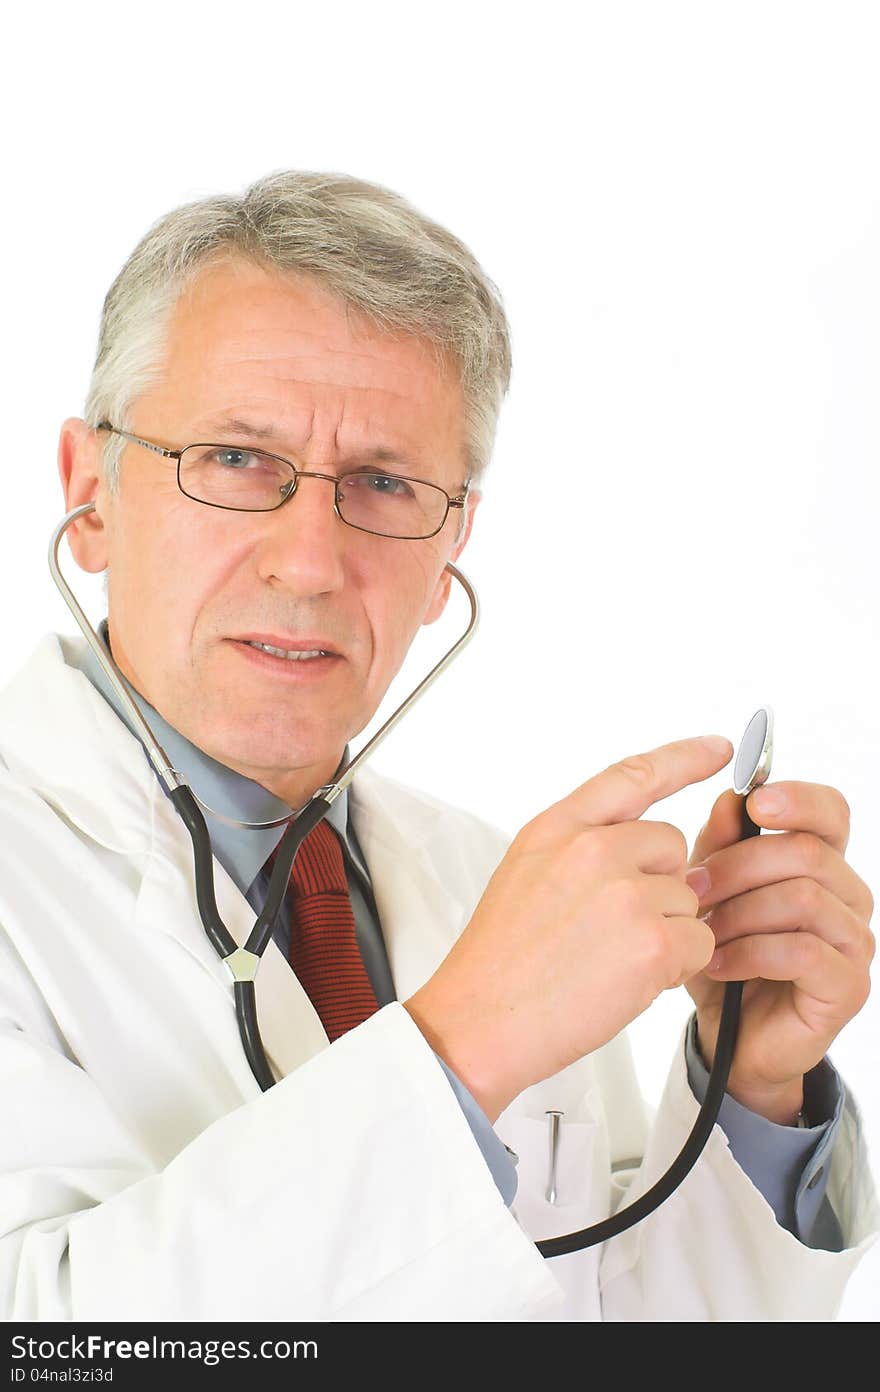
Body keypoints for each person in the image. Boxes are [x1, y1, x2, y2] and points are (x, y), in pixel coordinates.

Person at [1, 171, 876, 1323]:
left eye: (381, 483)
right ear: (92, 494)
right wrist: (464, 1041)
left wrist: (748, 1084)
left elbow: (590, 1317)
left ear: (451, 541)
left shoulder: (486, 884)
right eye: (233, 459)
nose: (310, 560)